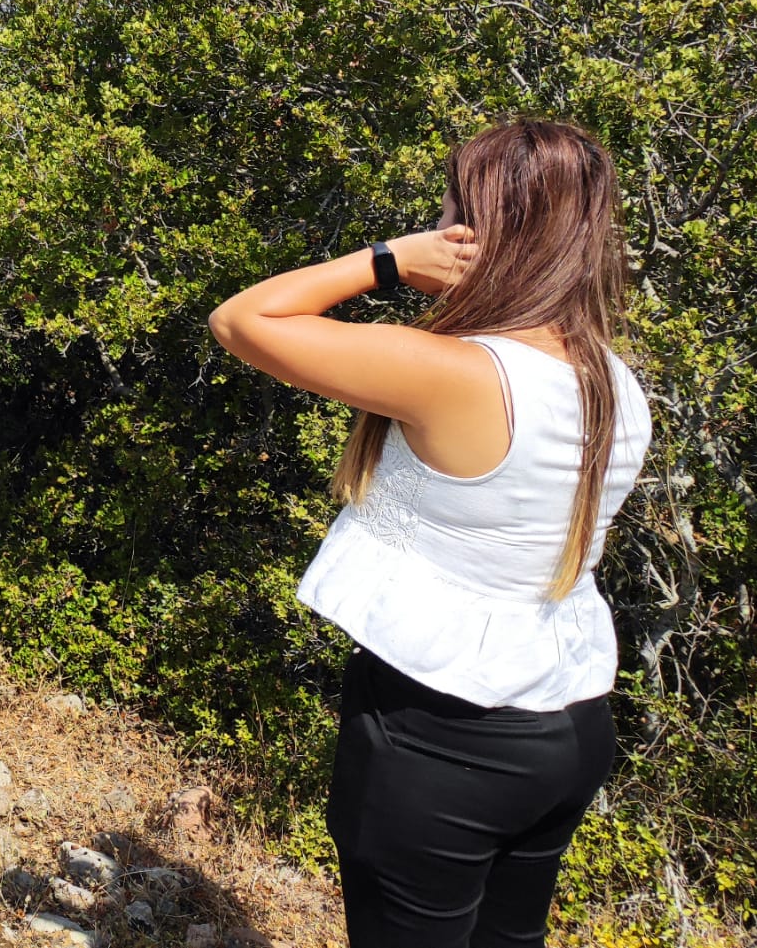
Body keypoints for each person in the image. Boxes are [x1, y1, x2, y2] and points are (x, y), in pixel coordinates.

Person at [207, 120, 653, 948]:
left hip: (442, 735)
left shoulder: (458, 371)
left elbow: (241, 319)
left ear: (490, 224)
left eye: (455, 203)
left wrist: (386, 259)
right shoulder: (617, 384)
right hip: (571, 719)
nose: (440, 217)